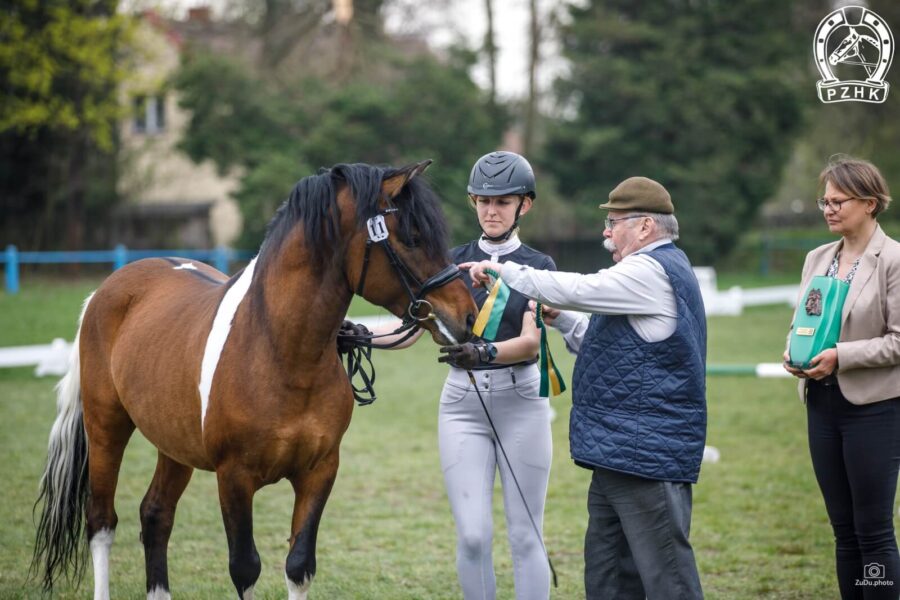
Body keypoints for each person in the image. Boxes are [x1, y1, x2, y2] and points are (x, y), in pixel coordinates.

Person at [464, 176, 706, 600]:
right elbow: (604, 341)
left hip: (646, 454)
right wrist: (563, 320)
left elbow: (578, 288)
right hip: (617, 451)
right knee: (609, 576)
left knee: (667, 581)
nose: (606, 232)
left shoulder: (650, 269)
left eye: (613, 222)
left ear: (645, 226)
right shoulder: (642, 272)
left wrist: (503, 270)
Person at [351, 151, 556, 600]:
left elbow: (530, 344)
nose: (491, 210)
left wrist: (482, 351)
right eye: (483, 201)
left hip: (521, 403)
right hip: (462, 406)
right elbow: (410, 330)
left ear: (525, 205)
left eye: (503, 202)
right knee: (473, 537)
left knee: (525, 536)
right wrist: (356, 333)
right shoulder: (450, 261)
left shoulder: (540, 268)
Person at [783, 156, 900, 600]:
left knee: (873, 532)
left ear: (870, 203)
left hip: (875, 410)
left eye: (838, 201)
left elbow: (899, 340)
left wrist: (841, 357)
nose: (828, 209)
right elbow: (802, 323)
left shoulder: (893, 260)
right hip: (820, 403)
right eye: (823, 201)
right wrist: (793, 350)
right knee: (843, 531)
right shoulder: (817, 257)